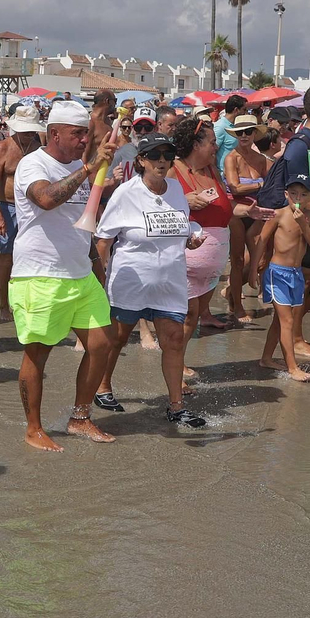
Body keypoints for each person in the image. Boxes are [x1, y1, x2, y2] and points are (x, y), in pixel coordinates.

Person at [9, 99, 119, 451]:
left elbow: (81, 226)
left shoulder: (79, 166)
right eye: (77, 134)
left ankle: (80, 418)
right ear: (53, 133)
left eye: (86, 133)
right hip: (39, 274)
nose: (84, 140)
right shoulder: (33, 164)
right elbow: (46, 199)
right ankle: (33, 428)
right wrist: (89, 168)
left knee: (102, 345)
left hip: (80, 274)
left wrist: (96, 268)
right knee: (38, 353)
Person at [93, 133, 208, 427]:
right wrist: (98, 279)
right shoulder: (125, 193)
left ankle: (176, 407)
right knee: (117, 338)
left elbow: (177, 229)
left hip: (169, 283)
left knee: (174, 340)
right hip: (130, 280)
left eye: (167, 156)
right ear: (141, 160)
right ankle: (103, 387)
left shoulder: (176, 190)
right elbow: (103, 241)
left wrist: (190, 240)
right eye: (154, 156)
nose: (162, 161)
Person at [256, 84, 310, 346]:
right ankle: (294, 337)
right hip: (303, 225)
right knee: (304, 283)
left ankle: (294, 335)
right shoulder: (298, 144)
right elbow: (293, 192)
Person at [170, 115, 243, 334]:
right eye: (212, 142)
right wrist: (184, 200)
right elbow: (151, 206)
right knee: (186, 317)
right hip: (184, 262)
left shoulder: (212, 170)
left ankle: (178, 362)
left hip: (211, 269)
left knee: (192, 319)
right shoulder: (171, 169)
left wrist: (248, 211)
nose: (216, 146)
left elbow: (224, 206)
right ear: (195, 145)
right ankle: (176, 365)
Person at [256, 176, 310, 383]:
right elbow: (262, 239)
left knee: (280, 319)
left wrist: (303, 223)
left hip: (296, 274)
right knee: (288, 320)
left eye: (303, 195)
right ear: (286, 194)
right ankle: (293, 367)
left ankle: (266, 358)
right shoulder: (279, 215)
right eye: (293, 194)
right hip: (277, 273)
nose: (298, 199)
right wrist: (253, 271)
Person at [0, 105, 45, 314]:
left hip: (30, 207)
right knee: (6, 255)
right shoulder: (4, 147)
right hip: (6, 206)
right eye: (25, 130)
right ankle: (3, 303)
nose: (29, 134)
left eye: (32, 130)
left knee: (31, 254)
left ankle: (27, 300)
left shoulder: (39, 148)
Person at [221, 115, 271, 322]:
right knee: (238, 260)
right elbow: (234, 187)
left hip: (257, 211)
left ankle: (232, 292)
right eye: (239, 132)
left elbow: (276, 182)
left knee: (259, 261)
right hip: (236, 211)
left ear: (254, 134)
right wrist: (261, 185)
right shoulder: (231, 158)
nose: (243, 135)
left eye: (248, 131)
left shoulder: (261, 160)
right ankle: (237, 306)